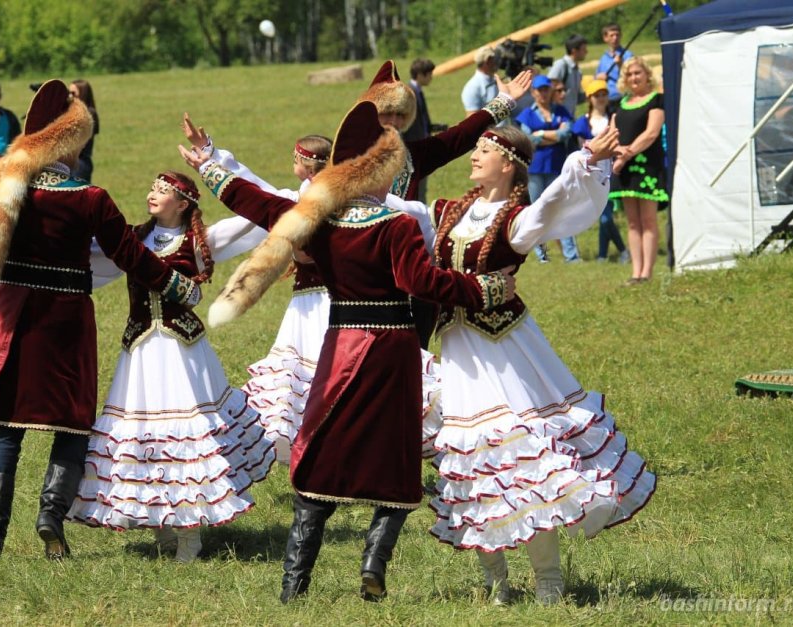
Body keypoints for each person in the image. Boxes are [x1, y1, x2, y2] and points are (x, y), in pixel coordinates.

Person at [180, 101, 515, 603]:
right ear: (377, 173)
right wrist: (486, 290)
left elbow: (255, 202)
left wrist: (208, 166)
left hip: (341, 347)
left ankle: (294, 587)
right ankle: (372, 567)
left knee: (320, 454)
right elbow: (421, 282)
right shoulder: (395, 225)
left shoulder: (319, 220)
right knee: (398, 460)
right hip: (393, 351)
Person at [0, 68, 202, 560]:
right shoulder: (91, 198)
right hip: (67, 325)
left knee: (4, 428)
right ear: (69, 146)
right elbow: (131, 256)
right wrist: (177, 283)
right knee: (71, 426)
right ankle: (50, 520)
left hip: (12, 318)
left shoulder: (6, 178)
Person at [385, 124, 656, 605]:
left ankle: (548, 581)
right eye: (477, 148)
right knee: (471, 458)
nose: (475, 156)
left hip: (506, 350)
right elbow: (397, 208)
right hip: (460, 352)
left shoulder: (516, 219)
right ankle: (497, 583)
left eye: (484, 150)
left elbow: (555, 204)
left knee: (524, 460)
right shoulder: (448, 210)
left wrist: (584, 161)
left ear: (508, 164)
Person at [179, 121, 442, 464]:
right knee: (325, 385)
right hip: (337, 308)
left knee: (333, 382)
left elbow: (255, 195)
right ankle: (333, 456)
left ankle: (349, 454)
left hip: (342, 308)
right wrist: (212, 160)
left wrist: (211, 163)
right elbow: (256, 197)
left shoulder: (383, 211)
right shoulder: (326, 204)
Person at [67, 171, 275, 562]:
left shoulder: (201, 240)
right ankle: (161, 522)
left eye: (162, 192)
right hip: (141, 352)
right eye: (151, 188)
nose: (152, 195)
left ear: (182, 204)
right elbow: (85, 248)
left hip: (182, 352)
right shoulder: (130, 238)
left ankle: (190, 534)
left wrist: (226, 168)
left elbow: (254, 216)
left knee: (187, 438)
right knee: (147, 435)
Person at [358, 60, 531, 347]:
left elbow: (458, 137)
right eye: (387, 113)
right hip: (364, 268)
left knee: (415, 348)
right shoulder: (346, 160)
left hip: (408, 266)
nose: (395, 122)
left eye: (401, 115)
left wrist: (503, 102)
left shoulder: (412, 155)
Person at [610, 57, 669, 284]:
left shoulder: (657, 101)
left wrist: (627, 153)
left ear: (647, 75)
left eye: (638, 73)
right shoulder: (620, 104)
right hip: (625, 170)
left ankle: (647, 273)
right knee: (633, 222)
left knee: (649, 220)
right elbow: (612, 133)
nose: (634, 78)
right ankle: (636, 272)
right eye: (630, 74)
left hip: (647, 169)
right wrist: (617, 150)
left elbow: (651, 133)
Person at [516, 74, 579, 263]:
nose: (543, 93)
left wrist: (542, 133)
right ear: (533, 92)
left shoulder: (561, 111)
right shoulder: (526, 114)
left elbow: (566, 134)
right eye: (539, 90)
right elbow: (529, 139)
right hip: (535, 169)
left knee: (562, 210)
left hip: (557, 167)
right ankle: (542, 256)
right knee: (537, 211)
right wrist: (553, 134)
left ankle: (572, 256)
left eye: (546, 89)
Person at [572, 79, 629, 263]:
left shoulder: (614, 118)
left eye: (604, 94)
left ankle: (611, 254)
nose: (601, 98)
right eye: (597, 95)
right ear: (589, 98)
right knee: (601, 214)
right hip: (591, 171)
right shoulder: (583, 122)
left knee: (605, 215)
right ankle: (608, 254)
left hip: (611, 171)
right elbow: (582, 150)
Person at [402, 58, 447, 204]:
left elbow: (420, 120)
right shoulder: (409, 93)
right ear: (420, 75)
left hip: (420, 147)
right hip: (412, 150)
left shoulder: (418, 91)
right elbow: (404, 125)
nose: (431, 78)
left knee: (421, 187)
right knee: (416, 188)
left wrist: (433, 127)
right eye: (429, 74)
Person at [547, 33, 588, 117]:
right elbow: (548, 89)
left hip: (569, 116)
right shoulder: (561, 65)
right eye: (583, 49)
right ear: (574, 50)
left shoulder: (578, 71)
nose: (586, 52)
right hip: (557, 117)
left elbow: (576, 97)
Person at [595, 23, 634, 107]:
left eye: (617, 35)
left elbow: (631, 75)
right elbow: (597, 77)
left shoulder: (628, 55)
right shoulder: (603, 58)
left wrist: (621, 65)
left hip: (623, 97)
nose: (615, 38)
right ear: (605, 38)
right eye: (611, 35)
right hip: (607, 99)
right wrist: (599, 78)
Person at [68, 79, 98, 182]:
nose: (70, 96)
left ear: (83, 93)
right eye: (68, 93)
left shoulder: (89, 113)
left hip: (79, 162)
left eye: (73, 93)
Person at [461, 46, 499, 118]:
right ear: (487, 61)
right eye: (494, 59)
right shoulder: (473, 87)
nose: (496, 62)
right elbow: (472, 118)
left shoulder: (494, 80)